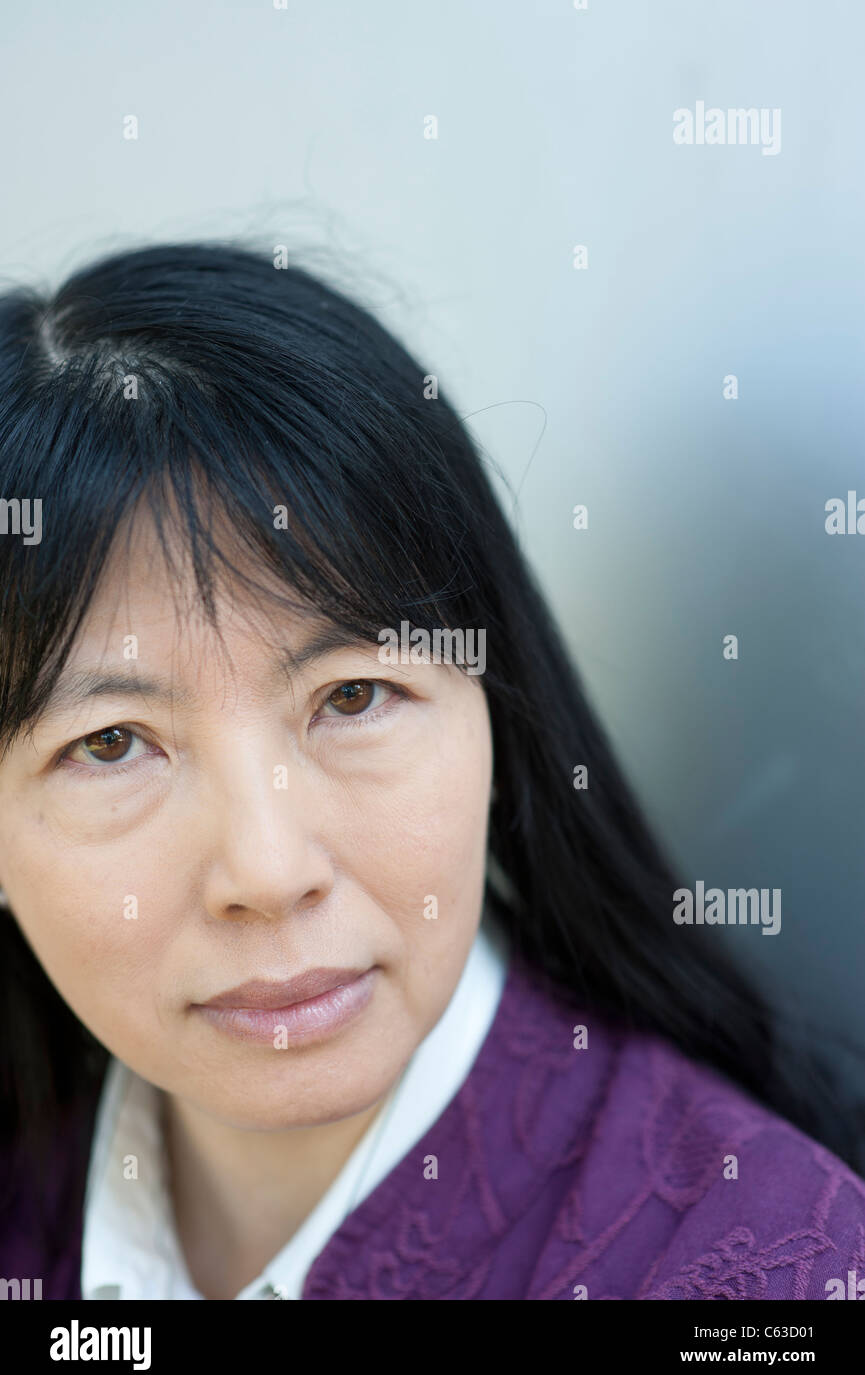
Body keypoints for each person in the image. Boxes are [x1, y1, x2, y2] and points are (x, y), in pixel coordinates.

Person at [0, 242, 862, 1301]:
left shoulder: (770, 1274)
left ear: (497, 713)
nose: (269, 872)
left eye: (352, 697)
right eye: (110, 743)